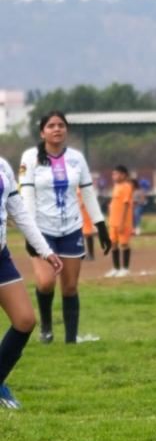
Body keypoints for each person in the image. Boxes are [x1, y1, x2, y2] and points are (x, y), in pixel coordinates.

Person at [19, 110, 109, 344]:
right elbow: (26, 196)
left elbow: (88, 192)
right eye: (51, 126)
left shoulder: (77, 158)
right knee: (46, 282)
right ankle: (46, 329)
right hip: (41, 231)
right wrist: (30, 235)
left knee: (69, 287)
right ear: (42, 132)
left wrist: (101, 225)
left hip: (71, 229)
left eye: (61, 125)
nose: (57, 129)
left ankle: (71, 339)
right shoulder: (30, 157)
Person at [0, 154, 63, 408]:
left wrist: (44, 250)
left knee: (25, 320)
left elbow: (19, 213)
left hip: (1, 256)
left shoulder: (3, 165)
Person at [105, 165, 135, 277]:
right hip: (113, 222)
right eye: (113, 174)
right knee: (113, 244)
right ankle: (116, 268)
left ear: (123, 175)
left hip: (123, 222)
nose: (114, 176)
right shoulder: (116, 186)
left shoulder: (127, 186)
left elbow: (126, 205)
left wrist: (122, 222)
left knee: (124, 244)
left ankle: (125, 268)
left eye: (116, 174)